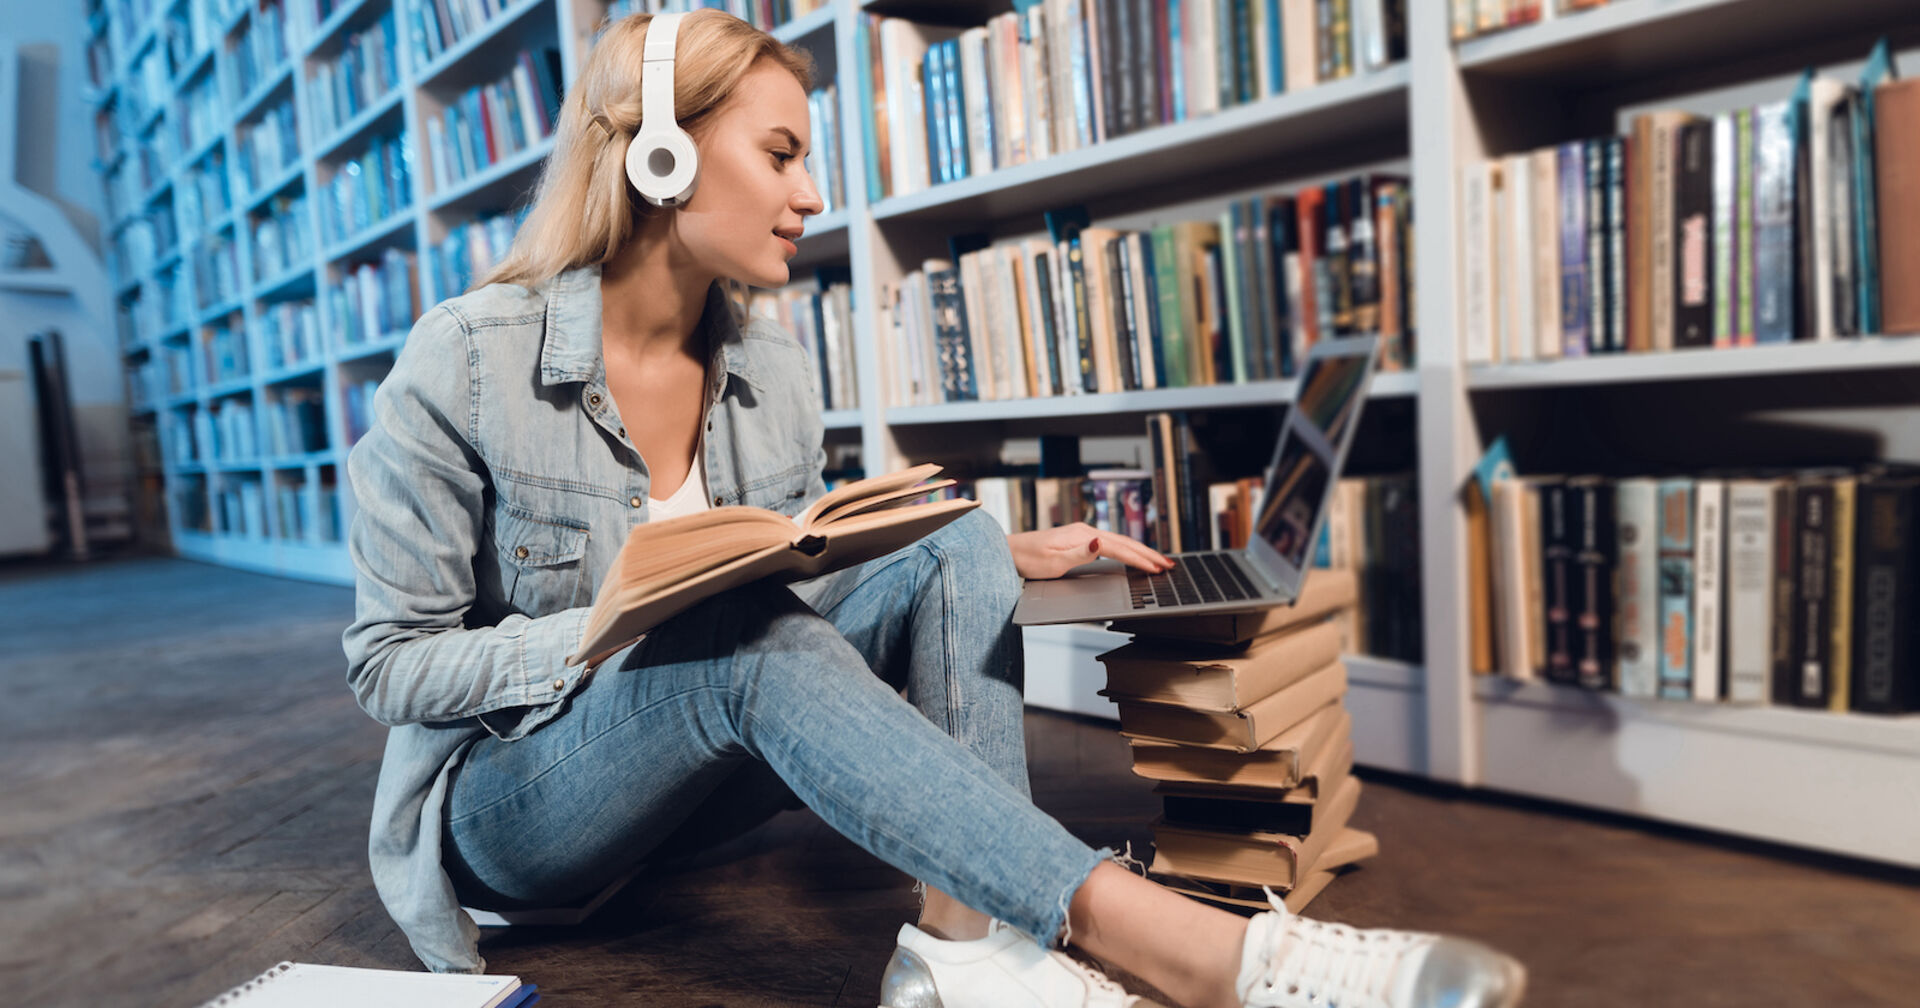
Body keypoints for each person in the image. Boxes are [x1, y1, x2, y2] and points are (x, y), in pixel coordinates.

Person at [341, 10, 1526, 1007]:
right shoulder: (468, 362)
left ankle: (963, 950)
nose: (811, 195)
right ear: (661, 158)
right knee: (736, 644)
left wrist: (976, 551)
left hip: (684, 800)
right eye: (783, 154)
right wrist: (603, 629)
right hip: (515, 823)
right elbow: (389, 668)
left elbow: (793, 569)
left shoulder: (770, 366)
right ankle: (1203, 954)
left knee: (951, 532)